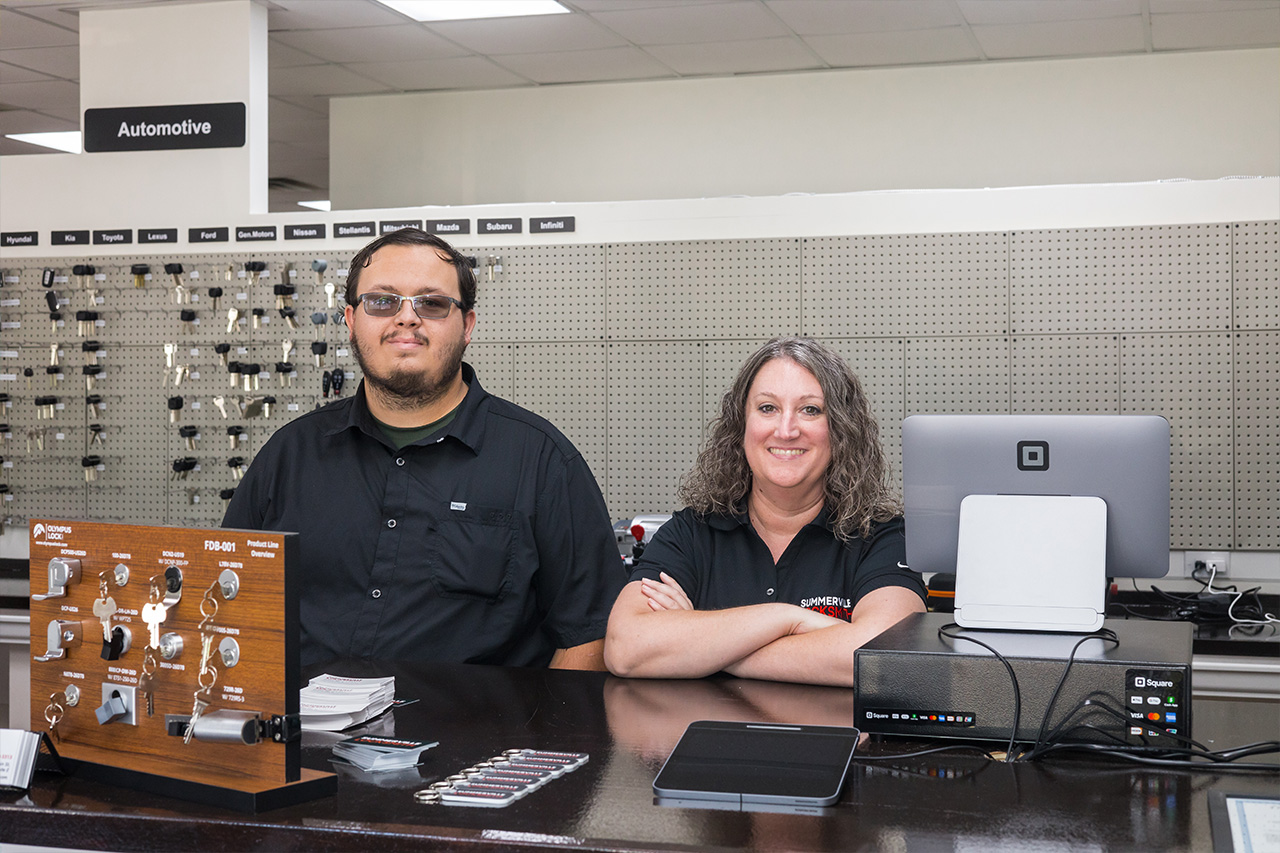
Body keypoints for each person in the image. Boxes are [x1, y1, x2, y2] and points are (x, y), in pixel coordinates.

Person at [223, 228, 623, 670]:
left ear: (467, 326)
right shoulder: (289, 455)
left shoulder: (543, 463)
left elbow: (588, 633)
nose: (406, 318)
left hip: (473, 718)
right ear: (351, 321)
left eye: (431, 303)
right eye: (382, 301)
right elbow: (229, 603)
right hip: (304, 716)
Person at [604, 337, 926, 687]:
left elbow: (890, 661)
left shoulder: (881, 537)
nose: (786, 431)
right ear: (740, 425)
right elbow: (625, 647)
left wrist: (705, 648)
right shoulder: (691, 534)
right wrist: (788, 619)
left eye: (810, 410)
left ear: (841, 429)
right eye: (768, 408)